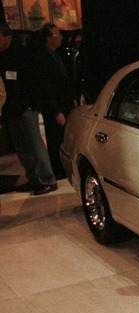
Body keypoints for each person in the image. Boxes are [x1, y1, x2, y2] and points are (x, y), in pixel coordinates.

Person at [0, 24, 58, 195]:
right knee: (22, 147)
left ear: (7, 37)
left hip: (25, 107)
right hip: (10, 109)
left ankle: (47, 179)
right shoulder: (2, 57)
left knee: (34, 144)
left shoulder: (23, 55)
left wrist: (31, 104)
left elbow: (35, 82)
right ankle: (34, 179)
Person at [34, 23, 77, 180]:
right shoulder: (43, 59)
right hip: (55, 107)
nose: (61, 37)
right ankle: (58, 170)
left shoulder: (58, 55)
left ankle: (64, 166)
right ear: (48, 39)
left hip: (64, 103)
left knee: (64, 137)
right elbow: (46, 88)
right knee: (55, 139)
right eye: (57, 35)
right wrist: (56, 111)